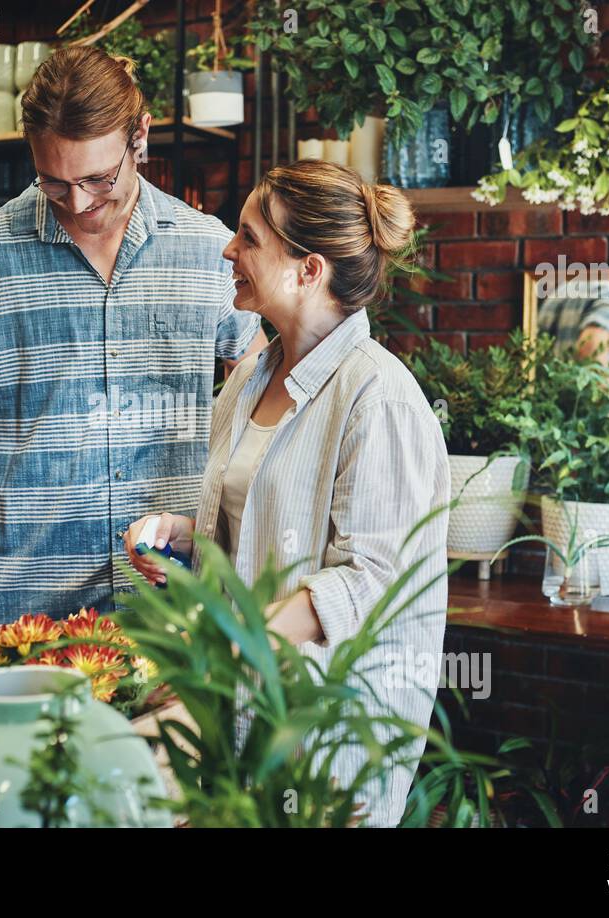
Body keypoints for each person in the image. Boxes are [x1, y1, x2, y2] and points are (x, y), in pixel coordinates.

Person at [0, 47, 267, 679]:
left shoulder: (210, 250)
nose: (76, 202)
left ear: (141, 137)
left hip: (169, 610)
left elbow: (261, 400)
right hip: (14, 617)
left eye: (99, 179)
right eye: (54, 181)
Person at [124, 160, 449, 827]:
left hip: (318, 733)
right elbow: (255, 520)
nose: (227, 249)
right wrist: (181, 532)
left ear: (309, 270)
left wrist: (231, 650)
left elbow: (369, 581)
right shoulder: (250, 377)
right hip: (235, 703)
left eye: (248, 237)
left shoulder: (378, 397)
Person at [536, 282, 609, 388]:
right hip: (579, 402)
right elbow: (592, 347)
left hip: (546, 400)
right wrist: (599, 400)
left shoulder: (559, 293)